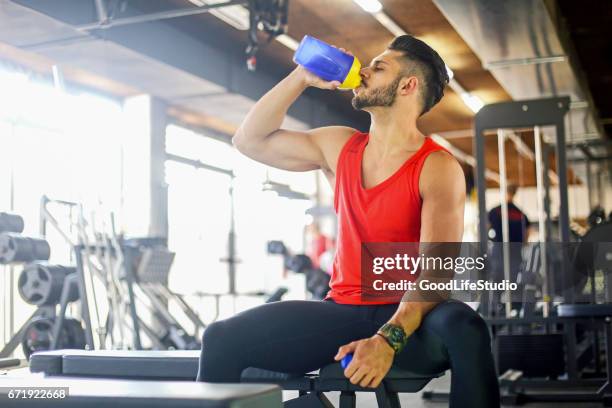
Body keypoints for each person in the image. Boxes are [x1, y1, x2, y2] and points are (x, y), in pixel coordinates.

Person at [197, 35, 499, 407]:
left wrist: (388, 340)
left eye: (380, 66)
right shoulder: (339, 146)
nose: (365, 71)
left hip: (412, 320)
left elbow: (436, 275)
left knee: (466, 327)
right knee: (221, 337)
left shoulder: (437, 166)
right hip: (343, 310)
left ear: (408, 85)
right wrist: (301, 77)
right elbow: (249, 141)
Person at [487, 183, 530, 315]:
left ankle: (495, 313)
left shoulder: (495, 211)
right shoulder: (521, 214)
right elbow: (526, 236)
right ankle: (514, 312)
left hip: (499, 251)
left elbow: (485, 229)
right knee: (514, 284)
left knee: (497, 284)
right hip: (514, 251)